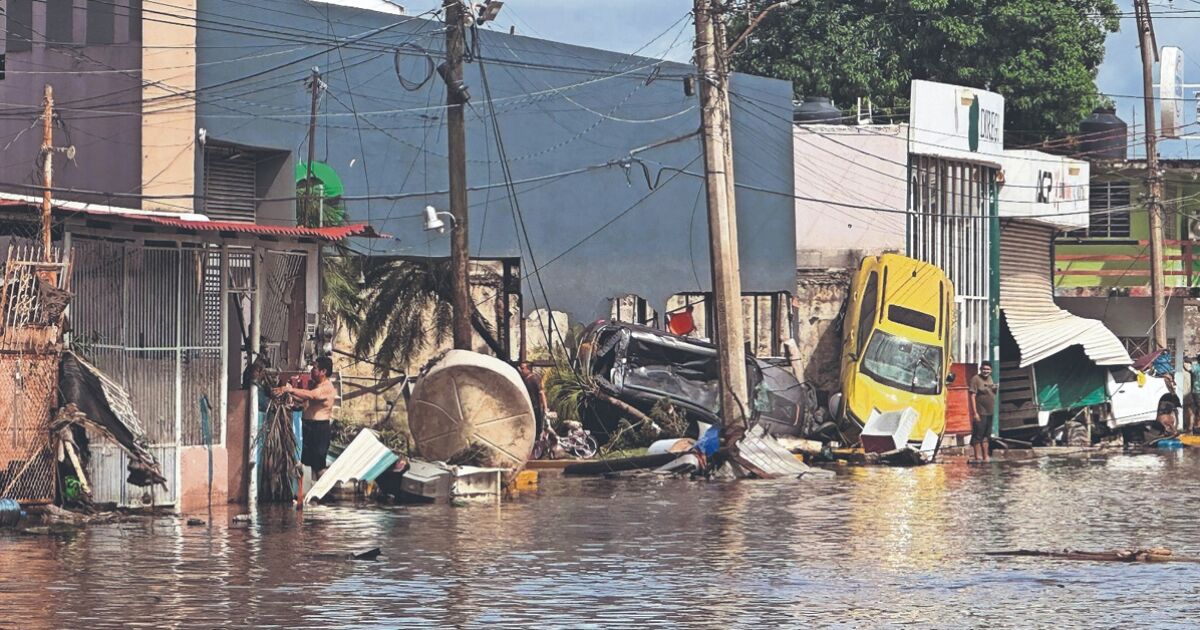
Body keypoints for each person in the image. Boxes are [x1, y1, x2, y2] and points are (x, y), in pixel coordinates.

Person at [274, 356, 337, 479]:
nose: (312, 370)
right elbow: (305, 399)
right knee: (307, 464)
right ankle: (309, 493)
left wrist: (290, 389)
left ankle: (321, 492)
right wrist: (288, 394)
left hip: (319, 429)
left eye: (315, 368)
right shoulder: (316, 385)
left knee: (319, 466)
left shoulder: (327, 387)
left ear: (323, 371)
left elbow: (312, 396)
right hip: (308, 427)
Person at [968, 362, 997, 463]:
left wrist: (995, 389)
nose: (986, 371)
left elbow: (991, 392)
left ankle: (985, 456)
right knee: (978, 435)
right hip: (980, 412)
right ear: (980, 369)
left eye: (988, 369)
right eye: (984, 369)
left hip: (990, 412)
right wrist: (975, 413)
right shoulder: (975, 379)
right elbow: (972, 396)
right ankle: (977, 456)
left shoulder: (990, 379)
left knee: (986, 435)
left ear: (991, 371)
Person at [518, 361, 548, 440]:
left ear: (528, 369)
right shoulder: (524, 379)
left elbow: (541, 393)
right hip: (528, 407)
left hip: (536, 407)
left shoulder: (534, 378)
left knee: (536, 428)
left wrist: (545, 408)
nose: (521, 370)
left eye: (522, 368)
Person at [1186, 355, 1200, 433]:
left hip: (1195, 391)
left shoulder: (1195, 367)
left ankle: (1192, 427)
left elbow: (1187, 368)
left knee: (1194, 409)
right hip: (1197, 391)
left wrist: (1189, 361)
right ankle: (1196, 427)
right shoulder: (1196, 367)